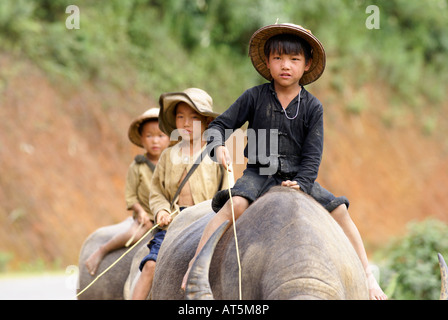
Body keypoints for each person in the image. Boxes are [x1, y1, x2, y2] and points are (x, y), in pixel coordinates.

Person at [182, 23, 387, 300]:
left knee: (341, 212)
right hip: (259, 173)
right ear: (267, 62)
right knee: (234, 206)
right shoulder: (254, 97)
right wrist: (217, 145)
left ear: (307, 64)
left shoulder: (313, 107)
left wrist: (302, 183)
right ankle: (196, 267)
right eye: (277, 58)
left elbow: (313, 154)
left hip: (298, 178)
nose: (285, 65)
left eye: (294, 59)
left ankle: (367, 278)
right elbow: (219, 125)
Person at [131, 88, 230, 299]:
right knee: (150, 265)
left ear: (207, 123)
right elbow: (157, 191)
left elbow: (227, 194)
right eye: (180, 117)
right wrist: (161, 211)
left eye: (194, 118)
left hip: (206, 224)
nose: (186, 123)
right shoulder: (167, 156)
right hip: (173, 223)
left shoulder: (216, 155)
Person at [84, 108, 170, 276]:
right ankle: (102, 250)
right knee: (133, 234)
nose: (155, 141)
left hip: (167, 215)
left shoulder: (173, 164)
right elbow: (130, 196)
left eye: (160, 135)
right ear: (141, 139)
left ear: (169, 139)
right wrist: (141, 212)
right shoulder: (137, 166)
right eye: (149, 136)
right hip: (147, 217)